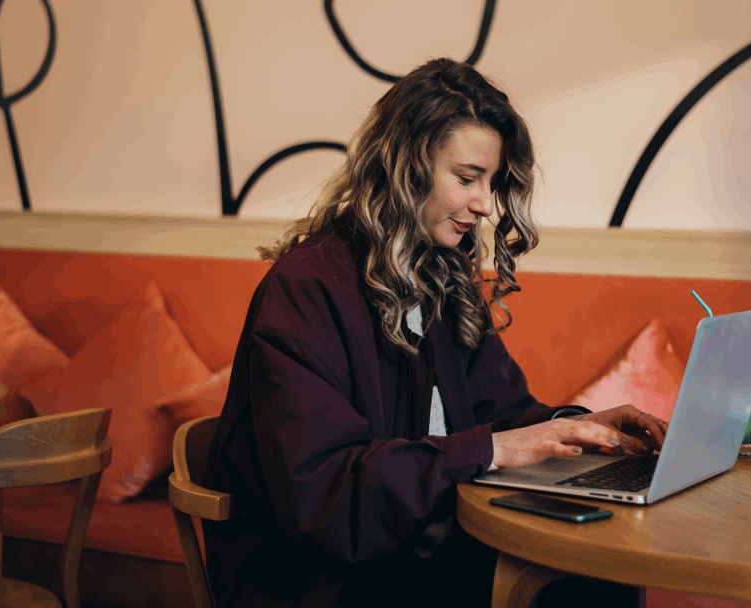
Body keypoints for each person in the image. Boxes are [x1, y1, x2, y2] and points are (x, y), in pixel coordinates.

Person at [202, 57, 669, 607]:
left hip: (418, 550)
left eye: (491, 183)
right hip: (319, 577)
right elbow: (324, 495)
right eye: (468, 178)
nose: (486, 205)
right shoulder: (305, 289)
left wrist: (579, 426)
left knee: (593, 577)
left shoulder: (441, 279)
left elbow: (502, 414)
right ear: (404, 166)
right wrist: (489, 450)